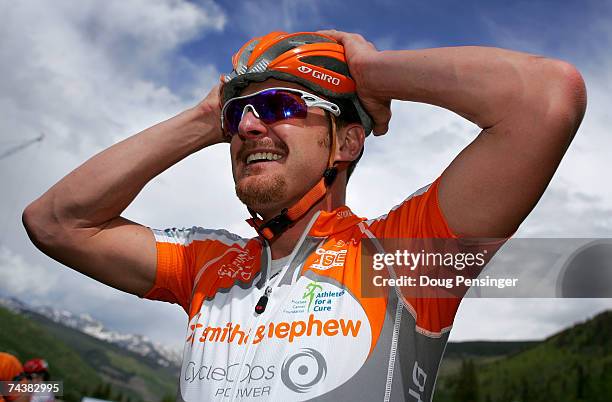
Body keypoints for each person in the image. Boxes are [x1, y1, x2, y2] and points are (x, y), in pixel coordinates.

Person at [23, 30, 586, 401]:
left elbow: (545, 97)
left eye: (279, 106)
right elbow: (55, 222)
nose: (248, 127)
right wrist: (203, 117)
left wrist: (372, 71)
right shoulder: (205, 264)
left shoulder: (403, 255)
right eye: (238, 116)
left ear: (346, 144)